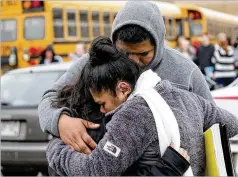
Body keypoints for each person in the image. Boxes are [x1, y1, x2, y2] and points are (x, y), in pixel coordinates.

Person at [38, 1, 212, 156]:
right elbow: (50, 98)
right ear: (115, 43)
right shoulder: (94, 63)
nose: (134, 61)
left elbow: (212, 125)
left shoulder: (185, 71)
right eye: (125, 53)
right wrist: (61, 121)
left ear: (158, 44)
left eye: (143, 54)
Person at [46, 37, 238, 176]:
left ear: (123, 88)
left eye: (102, 103)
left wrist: (55, 148)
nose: (103, 111)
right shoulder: (185, 98)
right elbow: (231, 124)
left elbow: (95, 170)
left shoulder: (133, 115)